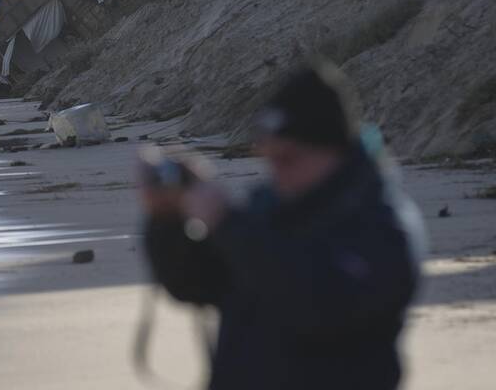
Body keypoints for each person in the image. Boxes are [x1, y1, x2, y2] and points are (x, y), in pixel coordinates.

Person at [139, 61, 424, 390]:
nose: (277, 173)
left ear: (332, 150)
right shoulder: (269, 209)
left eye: (287, 158)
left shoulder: (383, 223)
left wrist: (227, 224)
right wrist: (165, 219)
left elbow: (319, 303)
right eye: (270, 158)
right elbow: (195, 283)